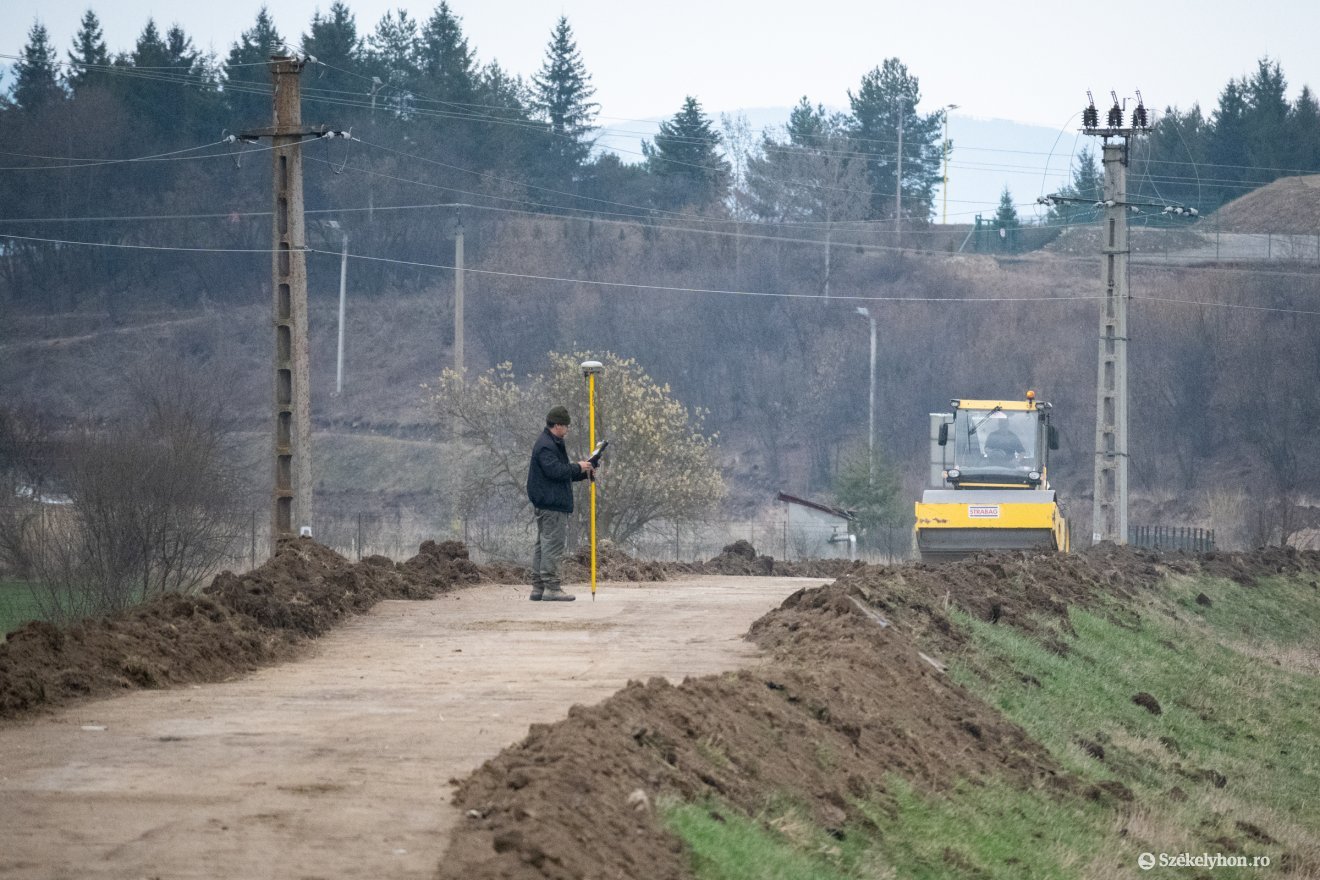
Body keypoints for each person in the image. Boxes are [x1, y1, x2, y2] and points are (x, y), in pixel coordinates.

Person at [525, 405, 594, 602]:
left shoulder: (551, 443)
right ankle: (551, 587)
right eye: (566, 426)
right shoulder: (547, 446)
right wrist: (578, 467)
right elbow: (555, 471)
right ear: (557, 425)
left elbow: (561, 473)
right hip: (551, 504)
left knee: (543, 545)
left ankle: (538, 587)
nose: (568, 429)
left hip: (549, 502)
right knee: (552, 546)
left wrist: (583, 472)